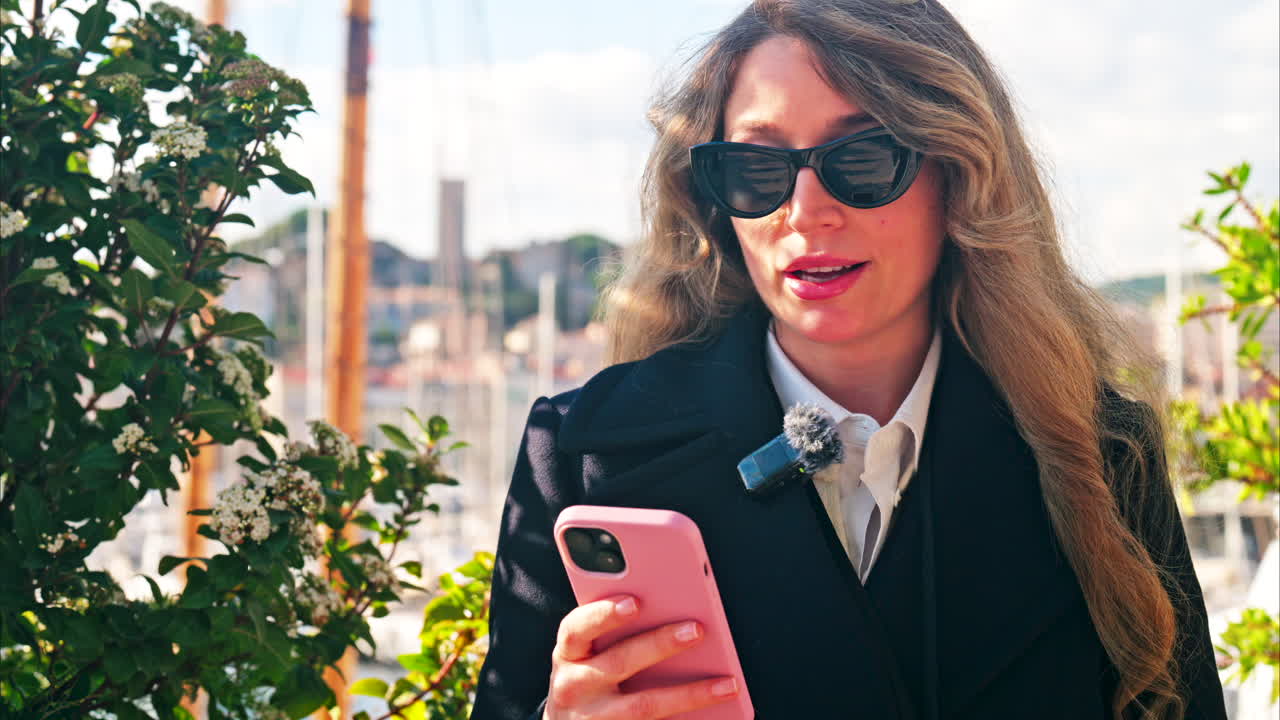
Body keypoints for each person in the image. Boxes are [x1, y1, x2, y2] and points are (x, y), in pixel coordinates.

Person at [470, 1, 1228, 718]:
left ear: (959, 175)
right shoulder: (583, 455)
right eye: (756, 169)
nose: (804, 212)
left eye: (863, 159)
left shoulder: (1099, 457)